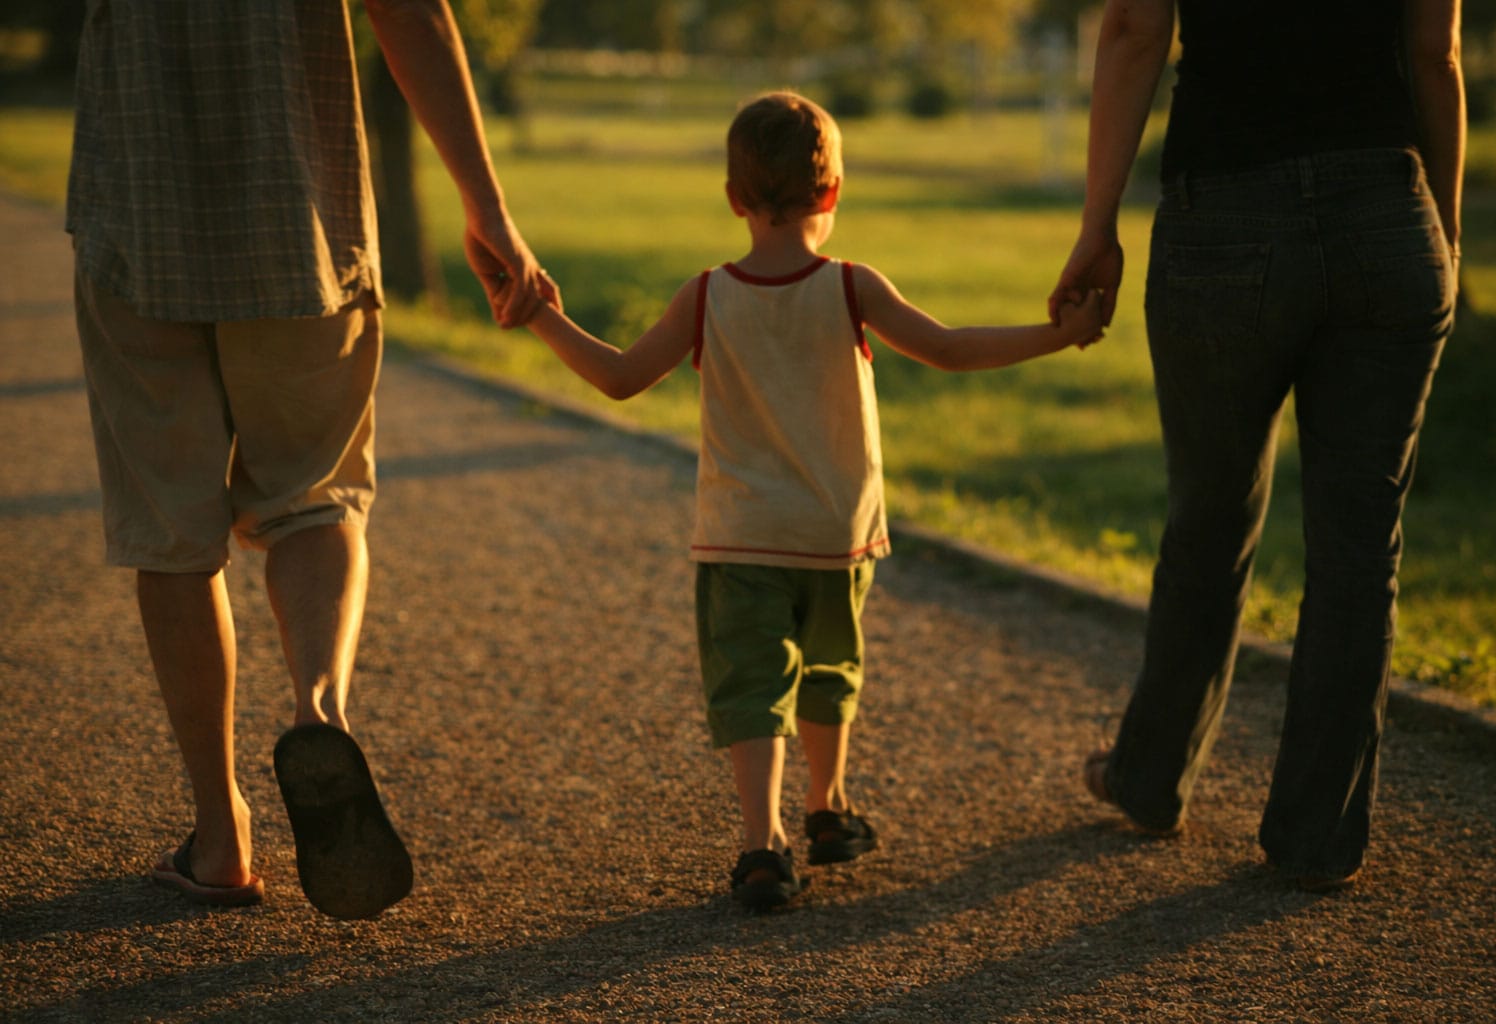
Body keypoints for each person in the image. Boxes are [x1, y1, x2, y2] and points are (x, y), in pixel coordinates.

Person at [523, 90, 1104, 911]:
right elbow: (948, 349)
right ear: (830, 194)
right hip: (838, 535)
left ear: (733, 199)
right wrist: (1059, 333)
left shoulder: (706, 295)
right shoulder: (851, 287)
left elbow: (619, 378)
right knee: (832, 667)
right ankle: (827, 808)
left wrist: (541, 314)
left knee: (751, 682)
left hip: (740, 536)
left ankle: (762, 845)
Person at [67, 0, 549, 918]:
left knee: (171, 533)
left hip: (137, 227)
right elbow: (407, 11)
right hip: (303, 229)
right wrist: (488, 209)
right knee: (315, 496)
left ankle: (220, 839)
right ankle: (318, 712)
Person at [1051, 0, 1463, 892]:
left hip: (1223, 215)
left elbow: (1133, 29)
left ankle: (1151, 777)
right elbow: (1434, 51)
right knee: (1359, 547)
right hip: (1385, 211)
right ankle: (1316, 839)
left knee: (1209, 513)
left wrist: (1098, 223)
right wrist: (1447, 230)